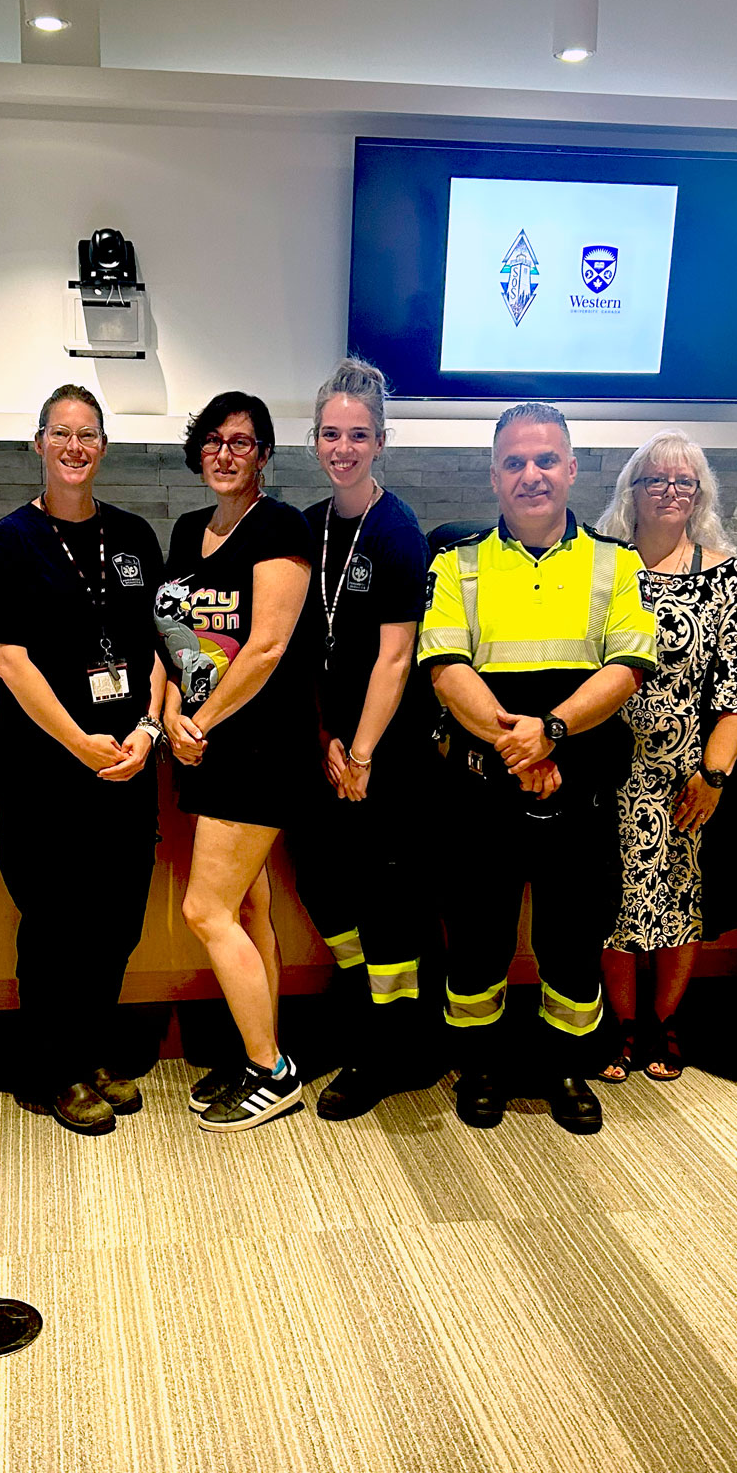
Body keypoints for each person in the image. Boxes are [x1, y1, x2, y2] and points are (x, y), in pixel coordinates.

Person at [417, 403, 658, 1135]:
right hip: (481, 789)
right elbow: (446, 670)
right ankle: (481, 1066)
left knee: (573, 941)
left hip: (579, 789)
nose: (532, 475)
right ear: (494, 476)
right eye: (515, 462)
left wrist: (550, 734)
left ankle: (566, 1068)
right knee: (476, 938)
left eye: (546, 460)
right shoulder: (455, 563)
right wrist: (518, 748)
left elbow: (627, 668)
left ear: (572, 468)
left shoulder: (618, 563)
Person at [0, 386, 167, 1136]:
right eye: (61, 434)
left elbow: (159, 645)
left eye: (87, 435)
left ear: (103, 447)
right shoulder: (11, 540)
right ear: (39, 443)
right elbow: (10, 659)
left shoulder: (134, 536)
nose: (74, 447)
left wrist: (147, 729)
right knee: (56, 926)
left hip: (127, 766)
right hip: (48, 772)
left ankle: (91, 1052)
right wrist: (77, 742)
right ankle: (55, 1068)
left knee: (116, 923)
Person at [155, 392, 319, 1132]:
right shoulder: (188, 529)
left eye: (242, 442)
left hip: (259, 749)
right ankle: (260, 1053)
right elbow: (175, 635)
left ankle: (273, 1072)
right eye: (214, 440)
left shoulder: (280, 527)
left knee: (206, 909)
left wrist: (199, 719)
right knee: (248, 907)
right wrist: (169, 712)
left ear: (264, 456)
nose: (226, 453)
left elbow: (267, 647)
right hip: (204, 746)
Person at [287, 359, 436, 1120]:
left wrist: (364, 753)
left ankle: (390, 1049)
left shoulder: (398, 530)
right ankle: (357, 1004)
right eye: (330, 434)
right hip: (327, 747)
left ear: (380, 441)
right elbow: (303, 644)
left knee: (385, 902)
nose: (342, 448)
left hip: (385, 754)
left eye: (357, 435)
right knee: (319, 878)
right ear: (314, 439)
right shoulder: (309, 526)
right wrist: (326, 737)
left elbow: (395, 657)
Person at [592, 431, 737, 1083]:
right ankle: (622, 1026)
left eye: (683, 481)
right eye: (656, 479)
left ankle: (664, 1023)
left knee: (679, 902)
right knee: (611, 901)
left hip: (687, 773)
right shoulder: (602, 565)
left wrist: (714, 776)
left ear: (700, 493)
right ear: (631, 491)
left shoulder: (725, 575)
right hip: (606, 766)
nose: (670, 491)